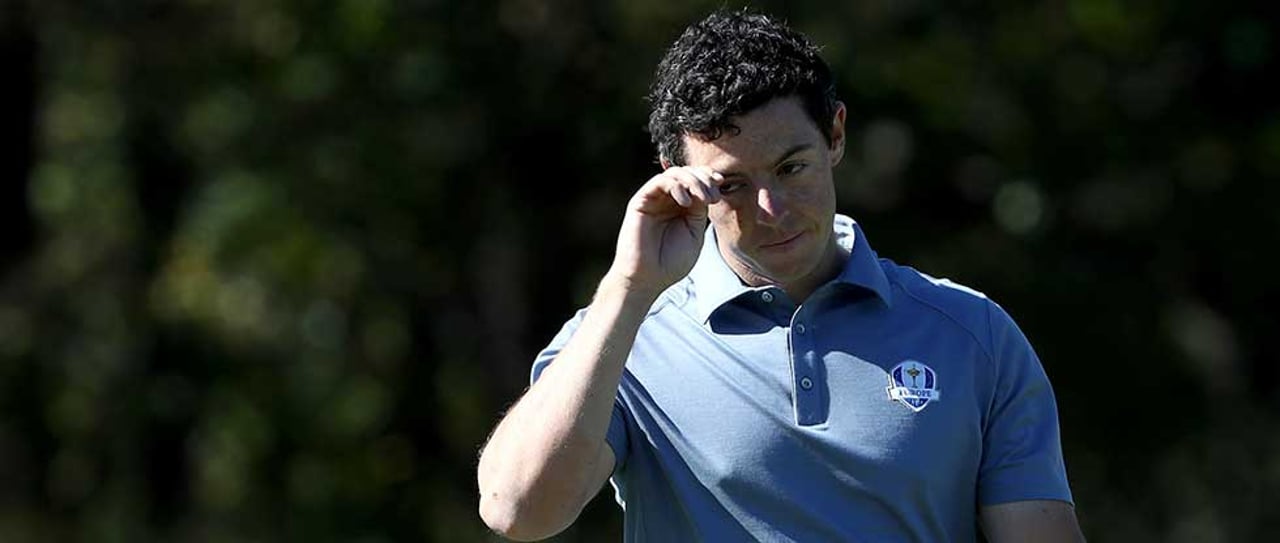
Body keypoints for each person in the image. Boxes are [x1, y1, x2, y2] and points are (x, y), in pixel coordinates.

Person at [477, 9, 1083, 542]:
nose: (772, 210)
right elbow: (518, 511)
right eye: (732, 184)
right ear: (677, 179)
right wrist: (628, 288)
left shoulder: (972, 332)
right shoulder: (620, 338)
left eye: (792, 167)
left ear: (836, 135)